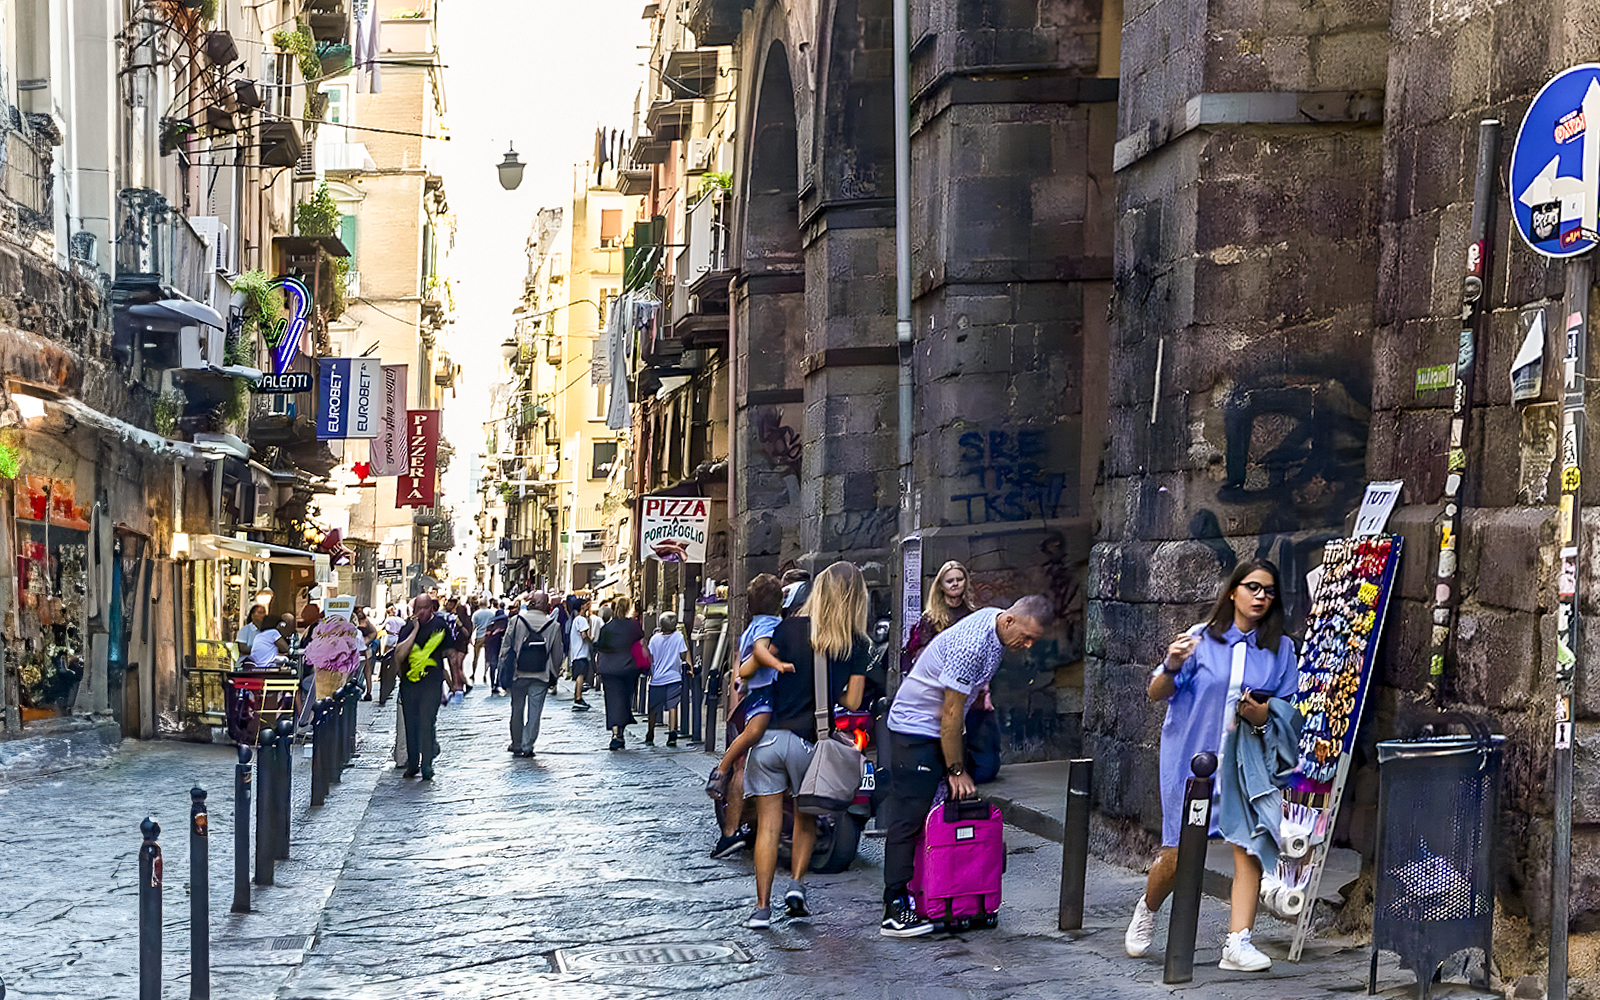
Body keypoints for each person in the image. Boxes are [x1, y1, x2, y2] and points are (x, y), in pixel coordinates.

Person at [1124, 559, 1299, 973]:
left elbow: (1290, 708)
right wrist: (1170, 663)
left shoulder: (1281, 648)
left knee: (1249, 848)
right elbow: (1157, 691)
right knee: (1180, 852)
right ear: (1233, 591)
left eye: (1269, 591)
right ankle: (1148, 908)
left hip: (1246, 763)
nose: (1261, 597)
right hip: (1193, 763)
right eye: (1253, 587)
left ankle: (1238, 943)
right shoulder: (1200, 640)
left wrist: (1264, 714)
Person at [879, 593, 1054, 938]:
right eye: (1027, 636)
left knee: (937, 818)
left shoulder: (996, 626)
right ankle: (894, 906)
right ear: (1008, 621)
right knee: (910, 818)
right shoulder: (972, 644)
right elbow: (951, 712)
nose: (1029, 644)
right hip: (914, 730)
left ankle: (939, 895)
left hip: (933, 732)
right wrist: (956, 769)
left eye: (1035, 640)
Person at [742, 561, 871, 930]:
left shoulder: (787, 627)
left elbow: (755, 666)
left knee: (767, 825)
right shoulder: (855, 643)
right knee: (805, 818)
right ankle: (796, 888)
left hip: (768, 739)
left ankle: (761, 909)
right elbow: (852, 699)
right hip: (808, 742)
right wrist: (832, 687)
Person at [706, 573, 792, 856]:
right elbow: (757, 653)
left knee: (749, 755)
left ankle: (731, 831)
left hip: (751, 695)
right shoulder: (769, 626)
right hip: (764, 693)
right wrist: (778, 664)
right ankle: (721, 773)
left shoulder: (752, 625)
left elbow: (742, 666)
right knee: (750, 744)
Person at [497, 591, 566, 757]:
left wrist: (502, 670)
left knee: (517, 709)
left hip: (518, 674)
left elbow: (506, 647)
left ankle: (516, 743)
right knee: (535, 712)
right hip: (541, 675)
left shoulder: (516, 621)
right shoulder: (554, 626)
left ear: (531, 603)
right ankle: (528, 745)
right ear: (547, 607)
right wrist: (554, 674)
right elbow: (557, 654)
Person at [392, 595, 450, 779]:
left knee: (426, 723)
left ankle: (427, 765)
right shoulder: (407, 627)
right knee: (411, 725)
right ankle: (413, 763)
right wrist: (415, 630)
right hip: (409, 685)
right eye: (418, 608)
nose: (422, 612)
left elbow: (450, 653)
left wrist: (452, 683)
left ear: (432, 608)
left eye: (425, 608)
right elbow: (399, 656)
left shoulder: (441, 625)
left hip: (431, 684)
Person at [902, 560, 977, 671]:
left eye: (959, 580)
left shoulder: (973, 616)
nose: (955, 584)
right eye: (950, 581)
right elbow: (919, 653)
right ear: (941, 585)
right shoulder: (930, 619)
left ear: (965, 582)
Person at [593, 598, 646, 750]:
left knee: (612, 699)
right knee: (625, 697)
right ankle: (620, 732)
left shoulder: (607, 628)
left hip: (609, 669)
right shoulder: (634, 626)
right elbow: (640, 641)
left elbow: (600, 646)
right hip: (629, 668)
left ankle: (616, 733)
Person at [645, 612, 690, 746]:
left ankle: (650, 732)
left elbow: (650, 656)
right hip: (674, 677)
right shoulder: (678, 637)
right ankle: (672, 733)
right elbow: (683, 653)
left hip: (657, 678)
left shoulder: (654, 639)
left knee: (653, 707)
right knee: (673, 705)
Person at [567, 595, 595, 711]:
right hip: (581, 653)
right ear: (582, 607)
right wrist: (591, 639)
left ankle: (578, 697)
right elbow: (584, 635)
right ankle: (578, 698)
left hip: (576, 653)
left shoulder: (575, 620)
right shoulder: (581, 620)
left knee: (580, 675)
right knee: (580, 676)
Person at [485, 599, 511, 695]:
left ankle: (496, 684)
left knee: (497, 667)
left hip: (497, 651)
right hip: (495, 651)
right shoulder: (495, 630)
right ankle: (495, 684)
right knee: (496, 667)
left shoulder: (497, 629)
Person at [470, 598, 495, 682]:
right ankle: (484, 674)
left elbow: (473, 626)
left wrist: (470, 637)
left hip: (479, 636)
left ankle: (473, 674)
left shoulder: (476, 614)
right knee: (487, 657)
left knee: (475, 657)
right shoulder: (491, 613)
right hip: (488, 637)